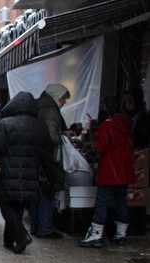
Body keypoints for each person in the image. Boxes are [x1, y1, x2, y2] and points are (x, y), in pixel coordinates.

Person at [0, 92, 52, 254]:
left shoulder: (5, 124)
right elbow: (47, 152)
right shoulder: (40, 126)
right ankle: (9, 240)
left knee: (6, 205)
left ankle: (21, 236)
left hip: (7, 171)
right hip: (31, 173)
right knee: (18, 206)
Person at [79, 96, 134, 247]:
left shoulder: (108, 126)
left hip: (110, 169)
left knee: (102, 201)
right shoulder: (126, 124)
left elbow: (100, 146)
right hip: (124, 170)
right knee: (121, 201)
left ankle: (96, 234)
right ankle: (121, 234)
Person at [33, 83, 70, 239]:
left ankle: (37, 226)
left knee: (38, 193)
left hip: (38, 156)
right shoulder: (50, 110)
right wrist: (63, 138)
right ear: (56, 97)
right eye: (62, 99)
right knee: (47, 191)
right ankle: (45, 228)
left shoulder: (40, 105)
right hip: (48, 157)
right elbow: (52, 136)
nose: (64, 103)